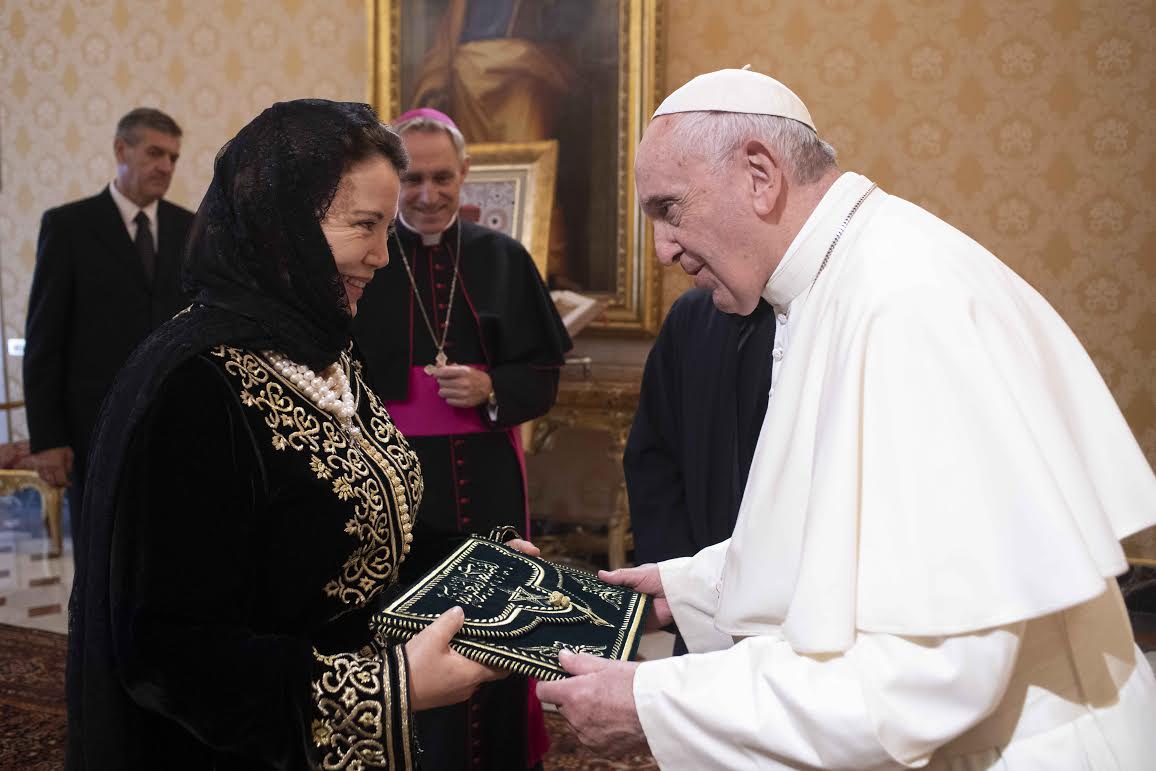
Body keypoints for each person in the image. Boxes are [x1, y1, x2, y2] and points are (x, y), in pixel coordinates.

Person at [537, 68, 1156, 769]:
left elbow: (927, 674)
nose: (661, 249)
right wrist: (688, 591)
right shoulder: (837, 279)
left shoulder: (905, 304)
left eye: (669, 209)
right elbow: (851, 536)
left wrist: (657, 705)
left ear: (760, 176)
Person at [65, 99, 537, 770]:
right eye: (365, 225)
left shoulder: (323, 349)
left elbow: (356, 533)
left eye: (386, 227)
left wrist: (475, 562)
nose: (382, 255)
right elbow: (168, 652)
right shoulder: (194, 383)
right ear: (279, 227)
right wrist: (388, 688)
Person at [352, 108, 569, 770]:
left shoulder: (502, 257)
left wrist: (491, 386)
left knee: (494, 623)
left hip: (485, 475)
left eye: (442, 177)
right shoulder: (362, 258)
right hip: (387, 479)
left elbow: (543, 370)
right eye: (412, 178)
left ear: (465, 173)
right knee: (396, 620)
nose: (427, 194)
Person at [23, 107, 194, 542]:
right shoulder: (68, 227)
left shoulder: (189, 228)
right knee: (101, 549)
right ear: (121, 150)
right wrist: (48, 438)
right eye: (155, 153)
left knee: (168, 546)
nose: (166, 166)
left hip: (173, 422)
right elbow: (45, 339)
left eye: (173, 157)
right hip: (93, 428)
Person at [624, 288, 774, 655]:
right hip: (700, 607)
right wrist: (683, 580)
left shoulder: (825, 314)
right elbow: (655, 460)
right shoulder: (692, 315)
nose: (669, 259)